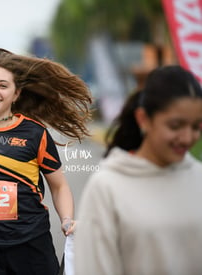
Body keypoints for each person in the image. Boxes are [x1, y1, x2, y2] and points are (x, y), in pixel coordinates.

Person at [0, 48, 92, 275]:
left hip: (32, 244)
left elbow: (59, 185)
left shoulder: (35, 133)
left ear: (16, 93)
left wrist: (67, 219)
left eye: (3, 86)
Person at [74, 65, 202, 275]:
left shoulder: (198, 177)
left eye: (196, 127)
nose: (187, 137)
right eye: (175, 126)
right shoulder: (107, 187)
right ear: (143, 119)